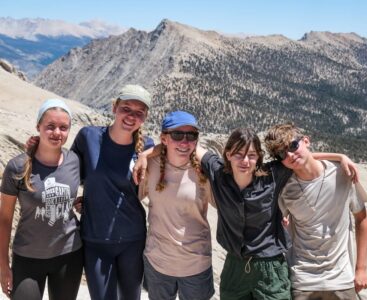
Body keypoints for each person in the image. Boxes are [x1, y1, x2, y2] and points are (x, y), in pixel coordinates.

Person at [134, 127, 358, 300]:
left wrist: (339, 157)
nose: (245, 161)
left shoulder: (272, 176)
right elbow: (185, 145)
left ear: (259, 157)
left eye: (251, 155)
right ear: (228, 155)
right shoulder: (218, 173)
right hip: (235, 265)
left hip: (270, 268)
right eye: (238, 154)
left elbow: (298, 157)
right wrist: (146, 154)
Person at [25, 84, 154, 300]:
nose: (131, 116)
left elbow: (173, 149)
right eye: (126, 109)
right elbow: (64, 165)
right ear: (114, 108)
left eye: (139, 112)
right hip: (95, 240)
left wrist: (149, 153)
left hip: (133, 240)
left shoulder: (146, 146)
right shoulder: (89, 137)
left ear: (145, 117)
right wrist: (39, 143)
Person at [264, 123, 367, 300]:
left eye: (293, 145)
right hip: (302, 279)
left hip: (341, 278)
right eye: (282, 154)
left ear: (306, 141)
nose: (290, 154)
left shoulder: (342, 173)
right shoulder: (284, 187)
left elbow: (362, 220)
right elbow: (273, 225)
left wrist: (361, 269)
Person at [0, 99, 83, 300]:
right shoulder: (17, 167)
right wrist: (3, 264)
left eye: (63, 127)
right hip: (28, 258)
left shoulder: (74, 160)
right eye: (50, 126)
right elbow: (4, 220)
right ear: (38, 126)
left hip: (69, 256)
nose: (57, 133)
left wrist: (79, 202)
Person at [139, 111, 215, 300]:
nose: (184, 142)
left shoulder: (204, 171)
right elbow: (128, 199)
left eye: (191, 136)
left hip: (196, 264)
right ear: (164, 139)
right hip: (158, 262)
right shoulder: (150, 165)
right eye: (177, 135)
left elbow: (228, 204)